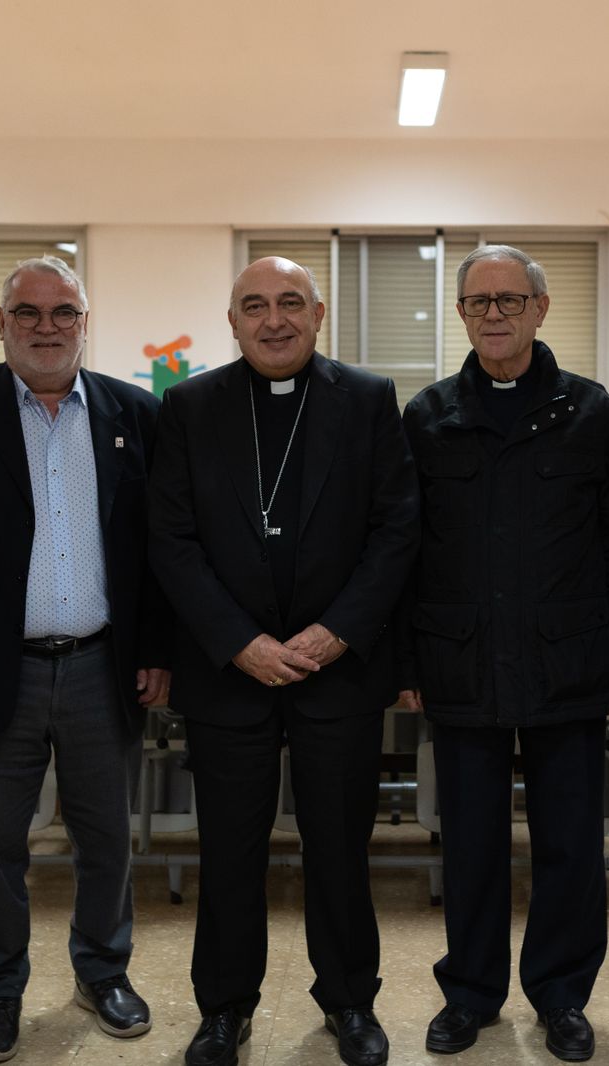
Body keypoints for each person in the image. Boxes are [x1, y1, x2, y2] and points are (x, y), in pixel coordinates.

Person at [148, 256, 420, 1066]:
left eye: (291, 302)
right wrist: (239, 642)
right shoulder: (190, 406)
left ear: (319, 314)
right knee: (230, 852)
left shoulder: (367, 400)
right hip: (229, 675)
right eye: (256, 305)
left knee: (340, 849)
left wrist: (337, 631)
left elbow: (396, 528)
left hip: (337, 672)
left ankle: (350, 1001)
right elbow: (170, 538)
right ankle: (224, 1008)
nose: (275, 320)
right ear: (232, 321)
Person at [397, 244, 609, 1062]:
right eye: (479, 302)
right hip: (460, 662)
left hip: (568, 663)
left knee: (570, 845)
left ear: (540, 308)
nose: (494, 314)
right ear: (462, 314)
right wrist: (405, 665)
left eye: (509, 299)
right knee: (470, 843)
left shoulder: (590, 411)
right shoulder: (428, 415)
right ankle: (470, 994)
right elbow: (406, 548)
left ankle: (562, 997)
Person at [0, 255, 169, 1063]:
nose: (47, 327)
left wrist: (156, 649)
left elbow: (156, 548)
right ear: (2, 323)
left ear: (84, 321)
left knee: (106, 839)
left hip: (104, 668)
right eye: (28, 313)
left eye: (63, 311)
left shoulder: (134, 412)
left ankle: (103, 972)